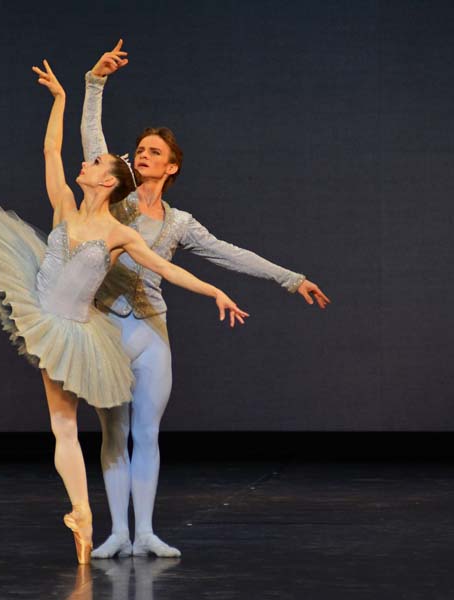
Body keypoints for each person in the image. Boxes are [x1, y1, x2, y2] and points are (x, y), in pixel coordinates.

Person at [0, 59, 248, 564]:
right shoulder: (64, 205)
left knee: (64, 427)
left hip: (72, 331)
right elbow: (51, 149)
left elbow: (168, 271)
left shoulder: (119, 233)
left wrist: (214, 292)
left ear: (109, 182)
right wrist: (59, 100)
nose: (87, 163)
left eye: (96, 163)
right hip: (34, 298)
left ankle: (82, 515)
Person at [81, 40, 332, 559]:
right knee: (114, 432)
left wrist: (291, 279)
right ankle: (118, 532)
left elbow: (229, 253)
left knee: (147, 432)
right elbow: (93, 144)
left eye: (155, 152)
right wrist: (95, 83)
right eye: (140, 149)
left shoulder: (179, 223)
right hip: (105, 326)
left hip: (151, 330)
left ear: (172, 166)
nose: (143, 155)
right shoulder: (116, 201)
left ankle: (145, 532)